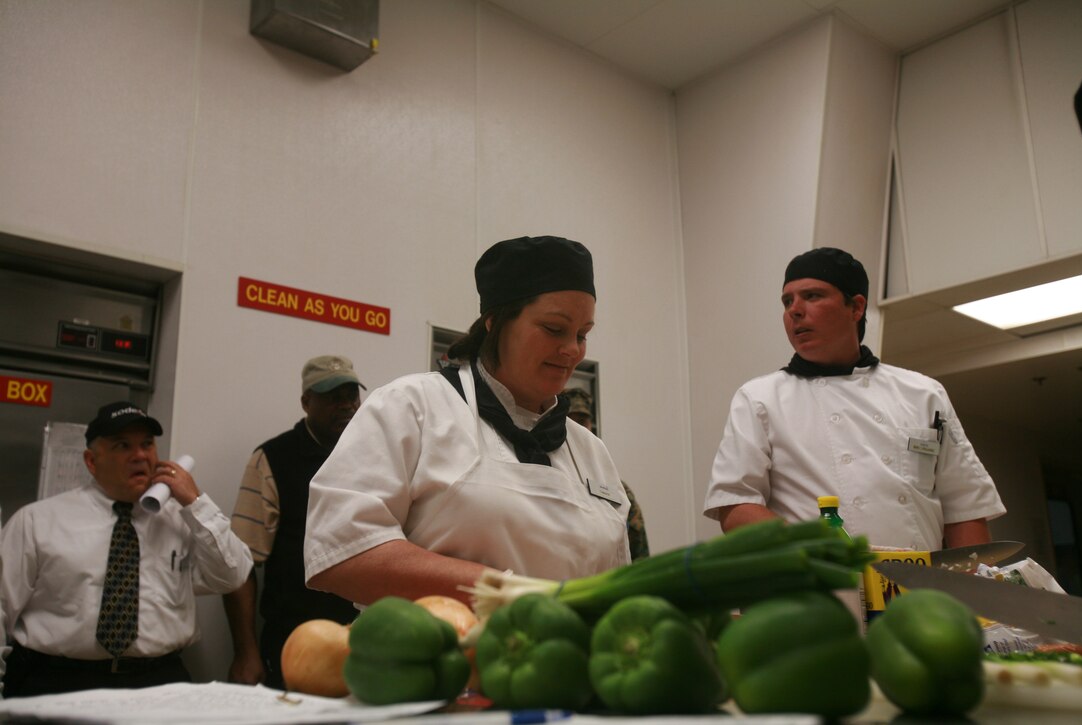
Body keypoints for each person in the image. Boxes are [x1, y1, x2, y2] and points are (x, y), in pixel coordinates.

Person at [305, 236, 630, 606]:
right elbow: (340, 553)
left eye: (583, 335)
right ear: (495, 321)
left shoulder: (591, 451)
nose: (572, 349)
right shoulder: (412, 407)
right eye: (554, 329)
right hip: (435, 659)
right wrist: (509, 595)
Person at [703, 247, 1005, 552]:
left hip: (917, 591)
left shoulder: (923, 393)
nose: (794, 310)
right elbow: (736, 505)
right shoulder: (760, 399)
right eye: (787, 300)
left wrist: (968, 593)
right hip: (818, 590)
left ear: (856, 308)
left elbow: (966, 507)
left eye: (812, 296)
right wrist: (820, 552)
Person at [0, 402, 252, 697]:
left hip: (157, 682)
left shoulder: (182, 520)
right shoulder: (37, 522)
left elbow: (232, 576)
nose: (140, 456)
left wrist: (196, 503)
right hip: (56, 680)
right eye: (123, 446)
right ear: (92, 461)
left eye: (147, 444)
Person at [224, 356, 364, 689]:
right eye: (333, 397)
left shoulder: (373, 456)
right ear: (306, 402)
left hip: (364, 639)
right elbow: (239, 565)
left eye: (351, 395)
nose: (345, 406)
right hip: (296, 641)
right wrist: (246, 653)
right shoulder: (273, 458)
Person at [562, 387, 650, 560]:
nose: (577, 428)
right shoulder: (546, 474)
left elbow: (639, 554)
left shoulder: (616, 487)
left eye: (582, 421)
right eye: (569, 421)